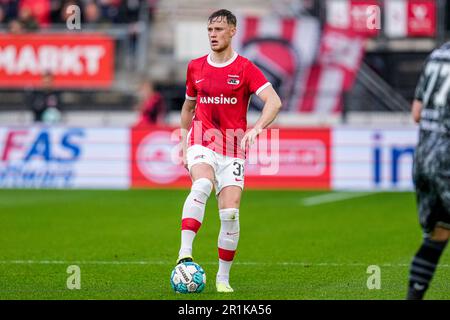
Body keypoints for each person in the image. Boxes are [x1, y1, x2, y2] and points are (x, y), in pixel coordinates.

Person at [176, 9, 282, 293]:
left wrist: (258, 127)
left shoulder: (245, 68)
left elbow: (273, 101)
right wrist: (184, 142)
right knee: (201, 184)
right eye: (210, 30)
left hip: (233, 149)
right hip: (202, 139)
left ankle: (222, 279)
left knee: (230, 214)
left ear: (233, 31)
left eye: (219, 30)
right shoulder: (196, 67)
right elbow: (188, 108)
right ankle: (184, 254)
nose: (213, 35)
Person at [407, 41, 450, 300]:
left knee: (440, 231)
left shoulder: (437, 55)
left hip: (423, 155)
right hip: (447, 156)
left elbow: (416, 113)